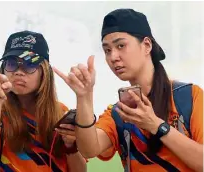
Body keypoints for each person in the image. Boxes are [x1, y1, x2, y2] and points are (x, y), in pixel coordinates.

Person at [54, 9, 203, 172]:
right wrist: (84, 96)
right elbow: (90, 149)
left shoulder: (188, 97)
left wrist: (156, 126)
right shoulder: (119, 113)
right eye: (107, 50)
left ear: (147, 45)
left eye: (121, 45)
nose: (113, 57)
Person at [0, 30, 87, 172]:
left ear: (44, 72)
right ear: (3, 70)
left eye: (29, 64)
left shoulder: (61, 112)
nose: (19, 72)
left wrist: (70, 146)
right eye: (12, 64)